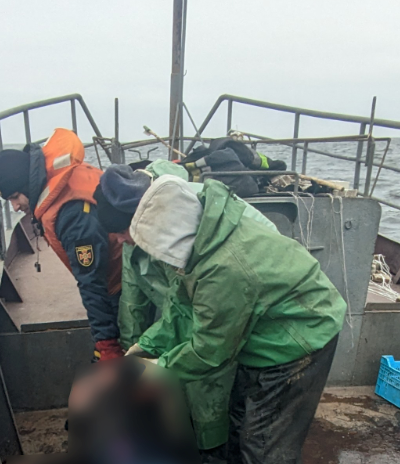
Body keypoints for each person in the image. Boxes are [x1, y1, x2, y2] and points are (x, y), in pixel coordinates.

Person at [123, 175, 347, 464]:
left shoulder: (223, 268)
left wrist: (159, 370)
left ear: (173, 239)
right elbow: (182, 307)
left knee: (264, 445)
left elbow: (210, 350)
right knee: (239, 424)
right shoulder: (205, 240)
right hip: (263, 331)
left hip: (301, 335)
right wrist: (146, 346)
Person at [92, 161, 278, 456]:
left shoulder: (185, 227)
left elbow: (205, 335)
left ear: (141, 220)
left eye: (121, 231)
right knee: (188, 381)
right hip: (201, 317)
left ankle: (214, 449)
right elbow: (135, 301)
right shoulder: (137, 238)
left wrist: (157, 369)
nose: (118, 240)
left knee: (216, 395)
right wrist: (134, 352)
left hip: (249, 316)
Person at [0, 128, 124, 361]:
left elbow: (92, 282)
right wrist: (3, 175)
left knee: (125, 347)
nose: (15, 207)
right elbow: (27, 179)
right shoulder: (51, 177)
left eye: (15, 197)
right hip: (116, 266)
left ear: (26, 185)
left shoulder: (73, 216)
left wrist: (106, 344)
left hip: (121, 284)